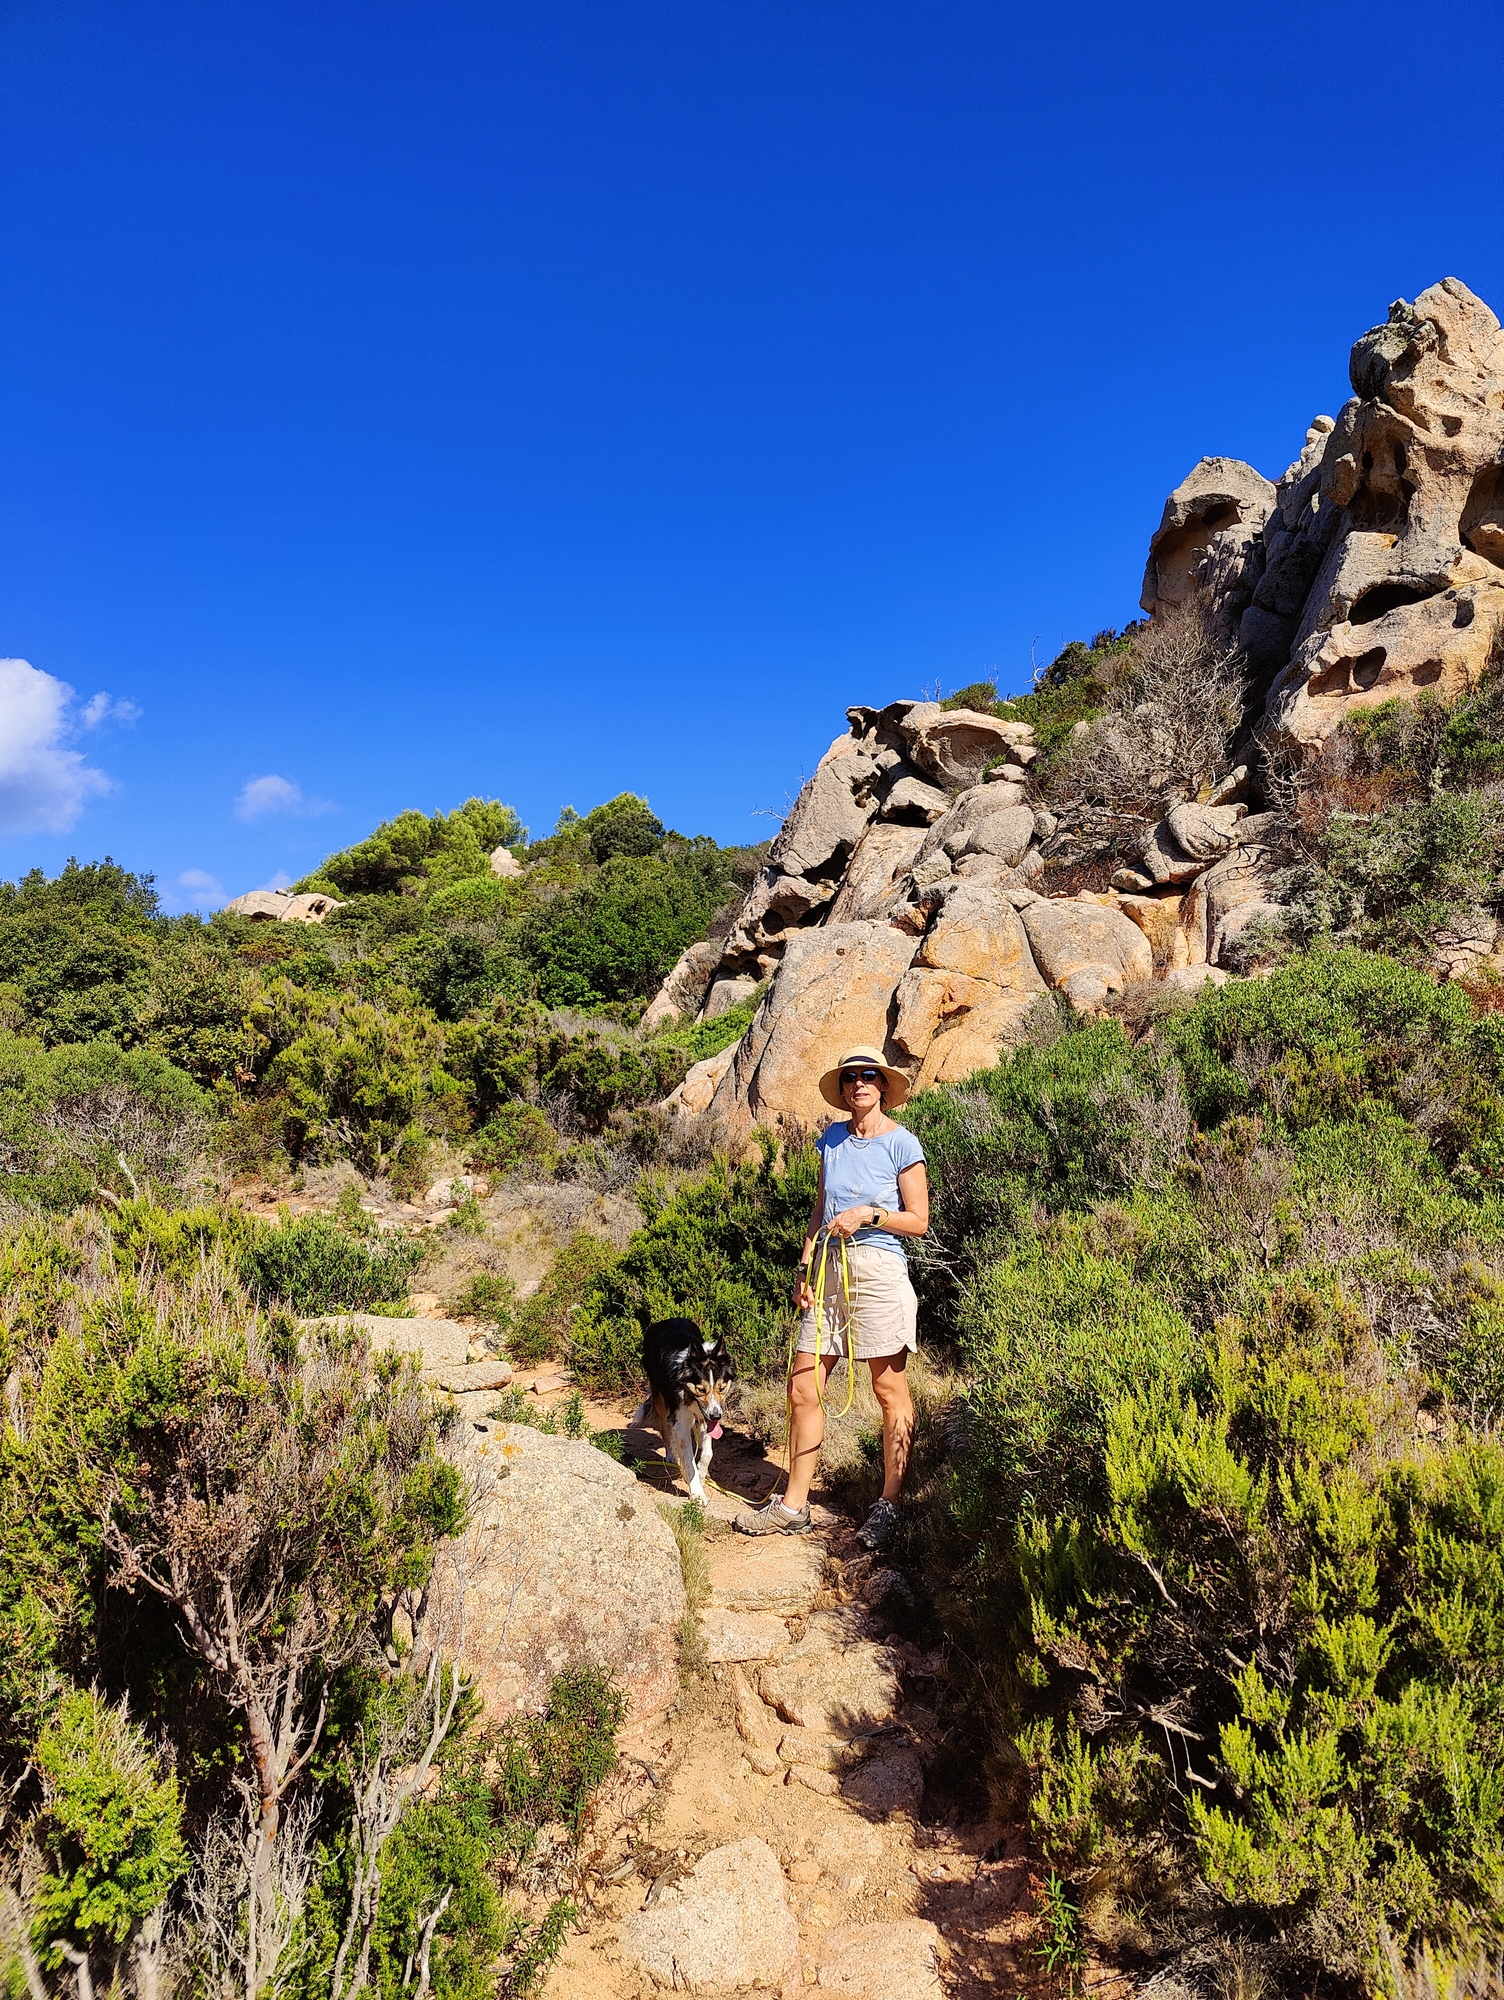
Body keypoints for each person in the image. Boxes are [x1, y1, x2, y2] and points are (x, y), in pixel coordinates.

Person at [733, 1043, 928, 1551]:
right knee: (802, 1386)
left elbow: (919, 1221)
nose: (859, 1083)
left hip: (879, 1268)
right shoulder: (832, 1140)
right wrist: (805, 1268)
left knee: (888, 1391)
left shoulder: (902, 1143)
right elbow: (820, 1209)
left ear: (883, 1086)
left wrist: (870, 1214)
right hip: (827, 1268)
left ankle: (889, 1505)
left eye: (869, 1075)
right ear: (843, 1090)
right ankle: (794, 1507)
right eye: (850, 1077)